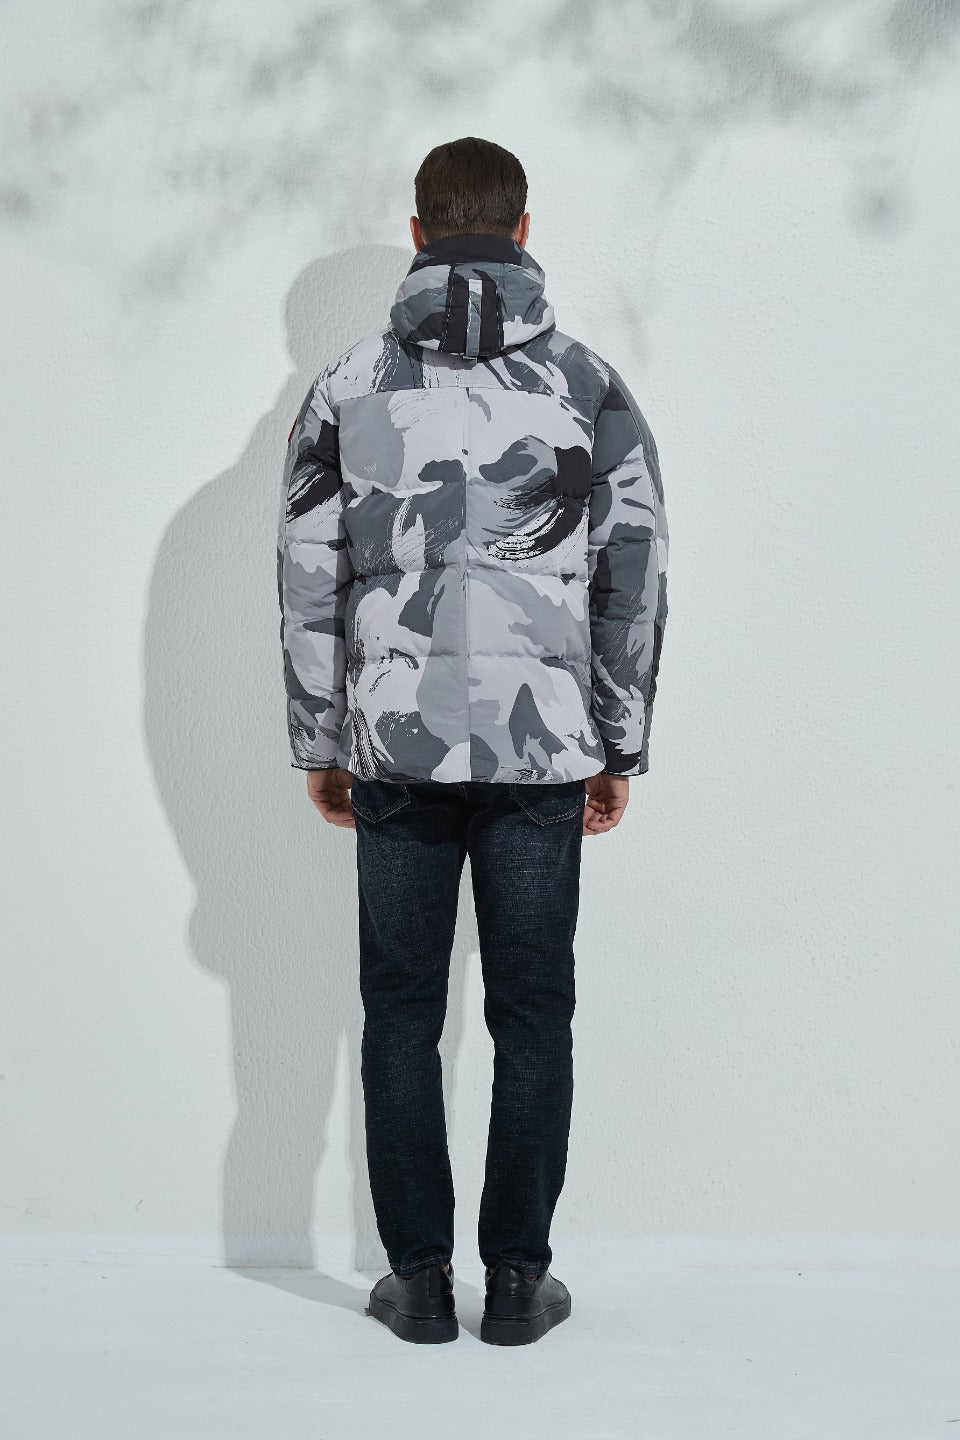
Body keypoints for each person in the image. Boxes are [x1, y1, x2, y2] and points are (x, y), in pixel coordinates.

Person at [277, 136, 669, 1346]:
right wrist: (617, 742)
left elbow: (307, 577)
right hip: (540, 753)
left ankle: (415, 1284)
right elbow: (634, 572)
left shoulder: (346, 385)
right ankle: (514, 1284)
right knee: (532, 1015)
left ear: (417, 233)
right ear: (523, 230)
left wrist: (321, 738)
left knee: (400, 1012)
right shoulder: (587, 384)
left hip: (393, 746)